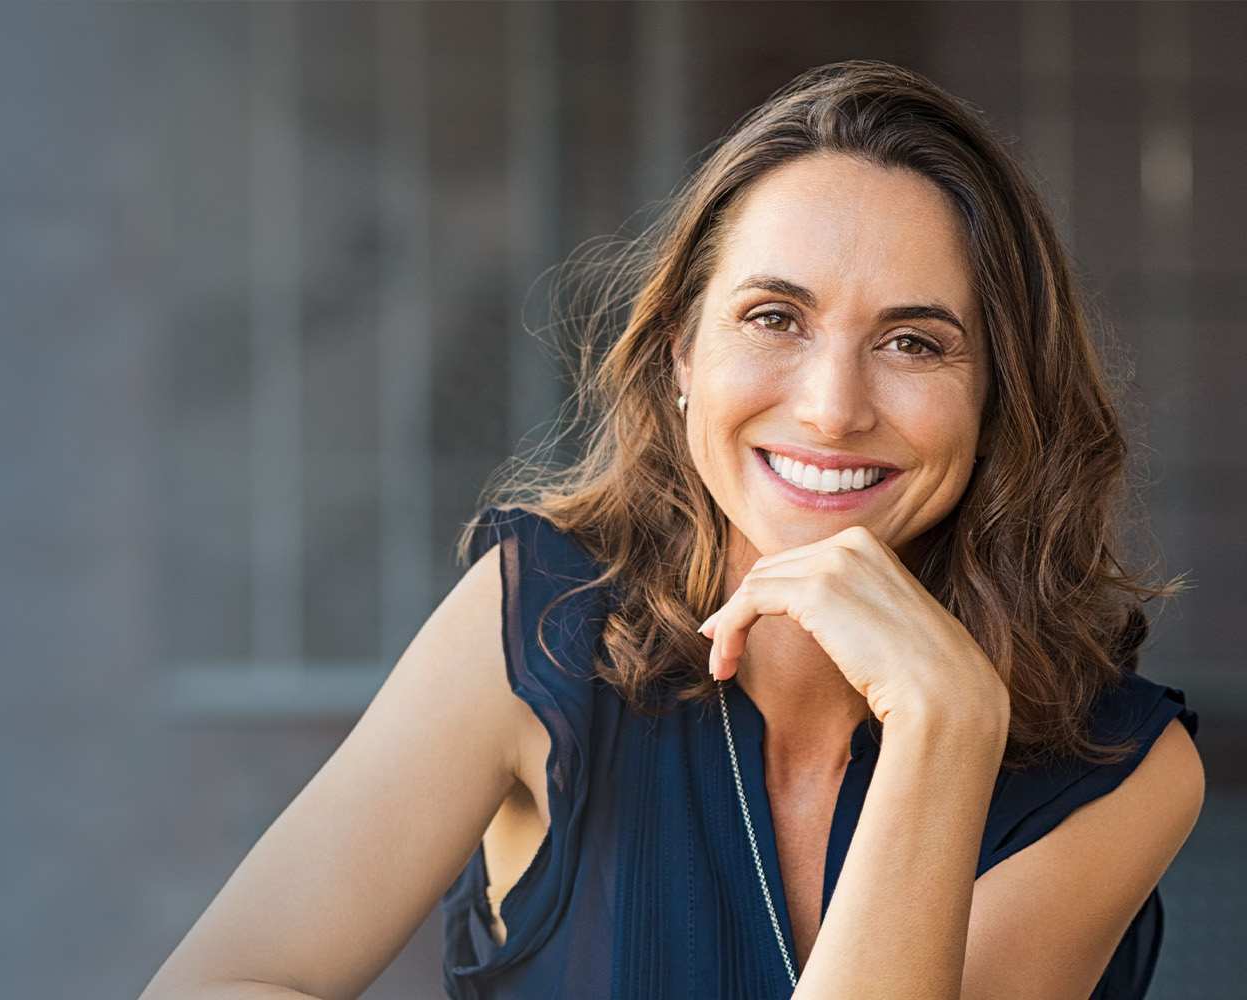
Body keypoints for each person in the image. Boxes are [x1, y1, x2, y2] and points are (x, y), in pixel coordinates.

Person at [142, 61, 1204, 1000]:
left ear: (998, 400)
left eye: (914, 342)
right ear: (680, 358)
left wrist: (942, 727)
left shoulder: (1124, 766)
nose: (832, 408)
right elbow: (220, 981)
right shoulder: (541, 620)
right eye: (774, 318)